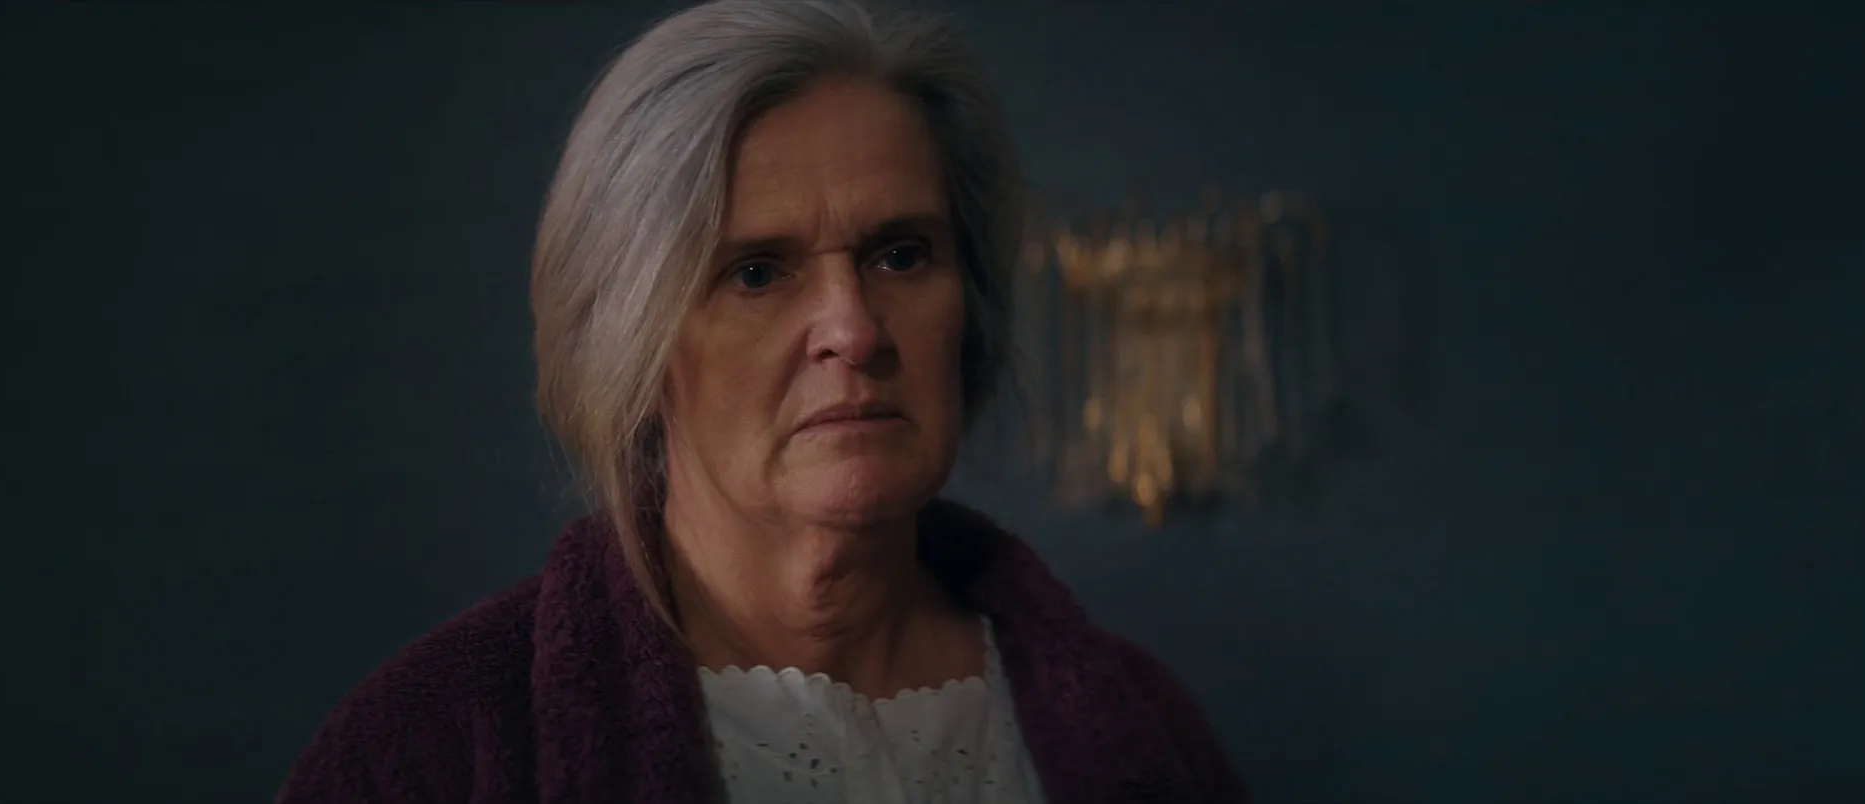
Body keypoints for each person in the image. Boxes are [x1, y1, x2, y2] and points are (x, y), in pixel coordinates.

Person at [276, 0, 1245, 801]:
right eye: (755, 272)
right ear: (635, 344)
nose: (854, 330)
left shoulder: (1143, 725)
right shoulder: (433, 746)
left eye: (901, 255)